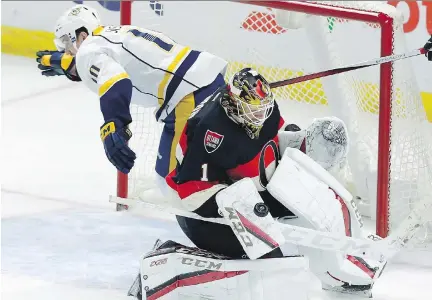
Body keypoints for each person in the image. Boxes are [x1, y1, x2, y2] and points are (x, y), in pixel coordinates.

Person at [128, 68, 387, 299]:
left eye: (263, 108)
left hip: (253, 187)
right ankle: (164, 265)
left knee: (304, 189)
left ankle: (342, 267)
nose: (261, 115)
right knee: (270, 266)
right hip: (201, 214)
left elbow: (271, 142)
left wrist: (304, 145)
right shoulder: (210, 131)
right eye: (254, 110)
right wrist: (251, 212)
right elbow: (192, 190)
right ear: (235, 105)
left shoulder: (264, 107)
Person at [35, 4, 227, 181]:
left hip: (189, 97)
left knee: (168, 180)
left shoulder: (88, 50)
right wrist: (71, 65)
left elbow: (116, 80)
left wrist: (114, 126)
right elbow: (107, 63)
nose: (66, 51)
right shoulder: (116, 33)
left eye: (66, 42)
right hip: (211, 81)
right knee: (222, 161)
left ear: (82, 35)